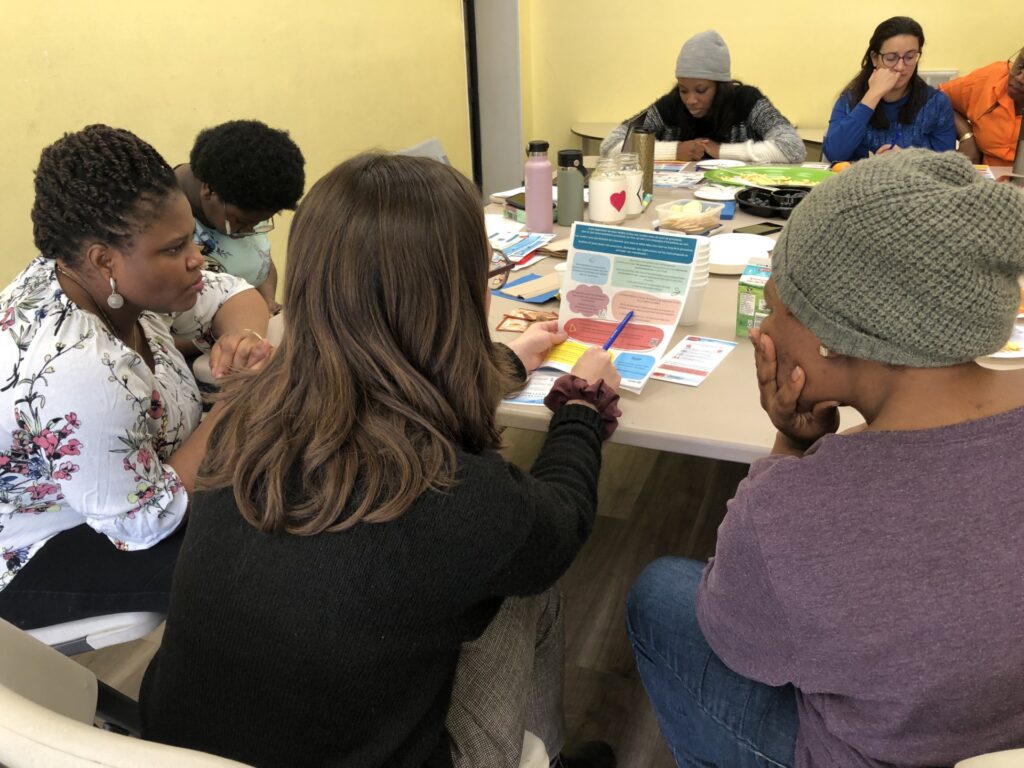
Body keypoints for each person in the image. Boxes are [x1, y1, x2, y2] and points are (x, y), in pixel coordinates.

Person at [140, 153, 623, 768]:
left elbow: (380, 370)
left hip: (179, 751)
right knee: (529, 590)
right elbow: (562, 522)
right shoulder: (455, 494)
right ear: (458, 295)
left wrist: (509, 360)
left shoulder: (242, 420)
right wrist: (582, 407)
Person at [626, 149, 1024, 767]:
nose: (765, 330)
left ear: (836, 338)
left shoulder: (791, 508)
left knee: (659, 593)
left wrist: (789, 447)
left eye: (778, 309)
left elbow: (737, 637)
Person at [0, 125, 270, 630]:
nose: (196, 258)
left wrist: (245, 338)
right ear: (104, 259)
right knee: (258, 554)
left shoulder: (99, 278)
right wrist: (236, 406)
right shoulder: (78, 371)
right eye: (174, 249)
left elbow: (233, 292)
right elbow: (148, 521)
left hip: (131, 486)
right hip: (40, 550)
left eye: (191, 236)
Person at [601, 30, 805, 164]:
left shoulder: (747, 101)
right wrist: (674, 151)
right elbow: (611, 145)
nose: (690, 99)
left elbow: (793, 149)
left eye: (701, 90)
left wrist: (721, 152)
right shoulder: (670, 105)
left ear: (720, 86)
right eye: (683, 89)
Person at [175, 119, 305, 314]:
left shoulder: (243, 200)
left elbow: (261, 261)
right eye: (243, 222)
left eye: (259, 223)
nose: (249, 231)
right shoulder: (161, 219)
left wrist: (267, 301)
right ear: (209, 190)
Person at [822, 17, 955, 162]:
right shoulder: (850, 100)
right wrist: (873, 95)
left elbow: (946, 165)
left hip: (915, 183)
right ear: (874, 58)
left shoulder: (936, 103)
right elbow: (834, 154)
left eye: (910, 57)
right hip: (860, 182)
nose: (900, 67)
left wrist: (905, 160)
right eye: (891, 58)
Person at [939, 46, 1024, 166]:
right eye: (1020, 65)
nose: (1019, 78)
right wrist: (967, 135)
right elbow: (937, 98)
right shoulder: (989, 79)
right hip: (986, 181)